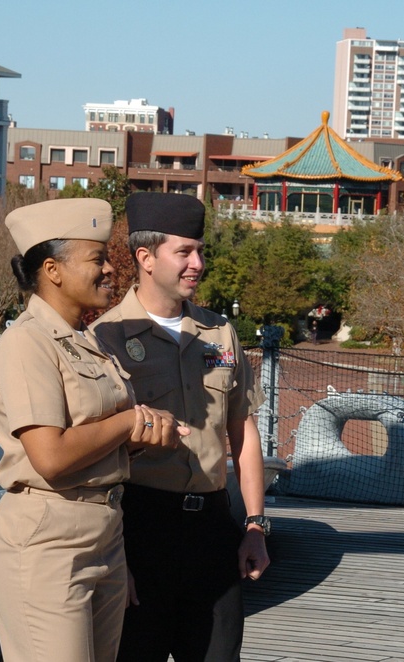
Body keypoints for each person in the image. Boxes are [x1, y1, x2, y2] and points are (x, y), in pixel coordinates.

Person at [0, 198, 187, 662]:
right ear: (52, 270)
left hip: (104, 530)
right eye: (96, 259)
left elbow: (100, 438)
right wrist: (129, 421)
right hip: (48, 540)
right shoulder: (27, 343)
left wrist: (141, 437)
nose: (110, 269)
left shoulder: (85, 342)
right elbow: (50, 457)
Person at [92, 192, 270, 662]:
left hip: (214, 526)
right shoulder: (105, 339)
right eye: (184, 252)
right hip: (140, 528)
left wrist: (254, 524)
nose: (198, 263)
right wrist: (115, 557)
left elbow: (243, 430)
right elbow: (96, 453)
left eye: (200, 250)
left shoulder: (220, 332)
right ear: (146, 258)